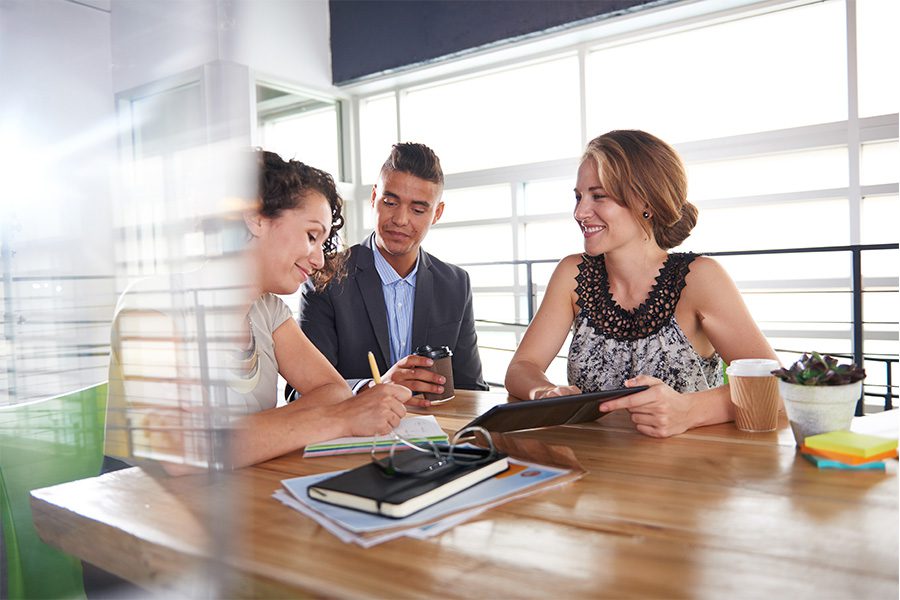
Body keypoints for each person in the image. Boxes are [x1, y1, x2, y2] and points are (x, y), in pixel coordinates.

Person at [106, 150, 412, 473]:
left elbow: (334, 392)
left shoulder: (269, 313)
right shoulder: (149, 306)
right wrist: (339, 420)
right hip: (142, 510)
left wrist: (238, 439)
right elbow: (181, 450)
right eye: (311, 236)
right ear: (256, 217)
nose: (320, 260)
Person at [504, 130, 778, 438]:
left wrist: (689, 410)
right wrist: (544, 393)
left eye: (599, 196)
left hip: (692, 474)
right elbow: (522, 367)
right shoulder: (572, 274)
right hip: (594, 471)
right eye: (578, 196)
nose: (580, 212)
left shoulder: (700, 278)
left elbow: (773, 385)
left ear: (645, 202)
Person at [300, 142, 488, 399]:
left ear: (437, 213)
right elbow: (301, 391)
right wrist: (375, 387)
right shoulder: (325, 276)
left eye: (418, 209)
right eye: (390, 202)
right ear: (374, 198)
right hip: (355, 433)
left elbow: (472, 389)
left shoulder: (455, 284)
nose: (400, 219)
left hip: (436, 433)